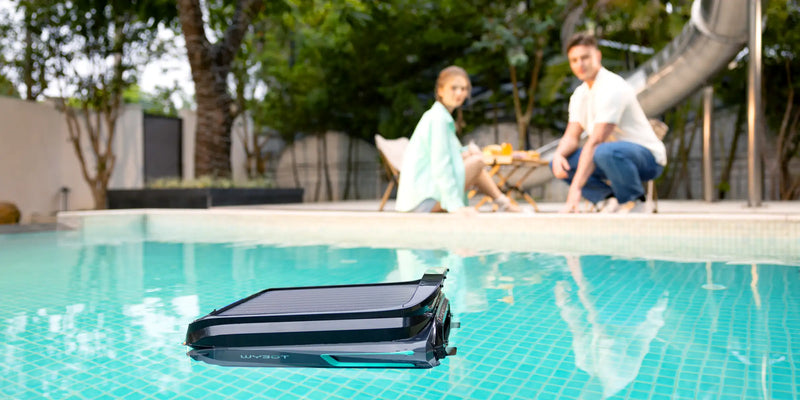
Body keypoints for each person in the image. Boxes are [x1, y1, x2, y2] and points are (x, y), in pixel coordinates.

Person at [551, 33, 667, 213]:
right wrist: (558, 155)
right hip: (607, 158)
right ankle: (607, 200)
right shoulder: (579, 95)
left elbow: (596, 141)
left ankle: (635, 201)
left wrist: (575, 188)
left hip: (647, 159)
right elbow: (571, 136)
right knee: (561, 161)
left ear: (597, 56)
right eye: (574, 60)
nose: (580, 64)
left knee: (604, 151)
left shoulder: (613, 87)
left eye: (585, 57)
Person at [396, 65, 520, 214]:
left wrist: (467, 152)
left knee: (475, 159)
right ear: (440, 91)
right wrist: (456, 206)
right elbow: (441, 165)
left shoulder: (440, 116)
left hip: (422, 198)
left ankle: (504, 203)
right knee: (477, 161)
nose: (459, 93)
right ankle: (504, 204)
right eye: (453, 88)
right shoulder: (438, 119)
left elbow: (453, 155)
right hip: (423, 201)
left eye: (464, 88)